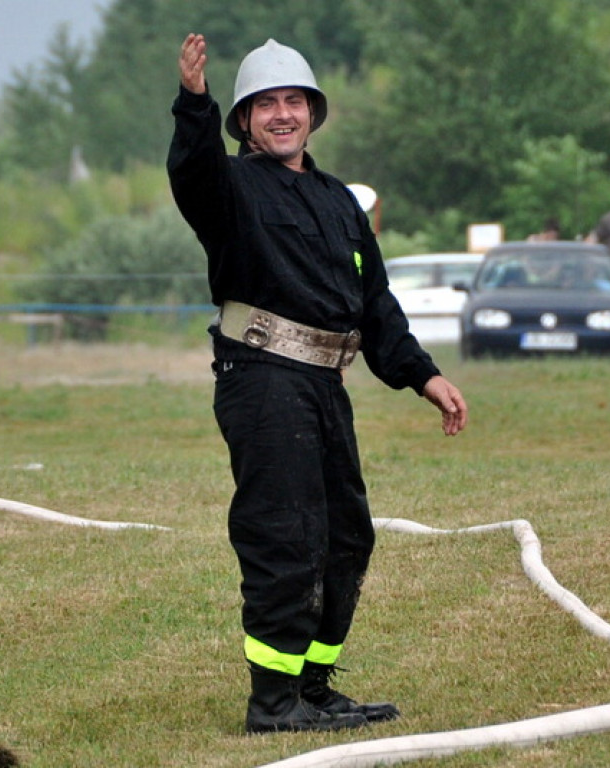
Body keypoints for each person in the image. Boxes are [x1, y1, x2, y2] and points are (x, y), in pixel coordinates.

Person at [167, 34, 468, 734]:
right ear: (243, 119)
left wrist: (424, 375)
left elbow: (376, 305)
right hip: (263, 378)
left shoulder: (339, 202)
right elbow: (192, 170)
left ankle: (312, 684)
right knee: (285, 533)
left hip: (325, 383)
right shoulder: (229, 188)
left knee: (346, 536)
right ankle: (272, 703)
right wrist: (192, 104)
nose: (281, 114)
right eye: (264, 104)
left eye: (293, 101)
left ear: (313, 113)